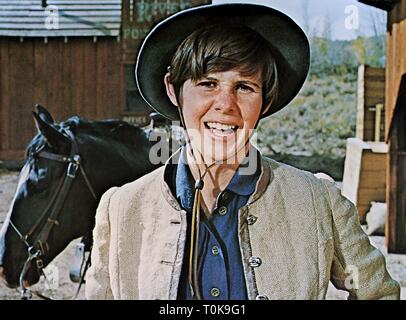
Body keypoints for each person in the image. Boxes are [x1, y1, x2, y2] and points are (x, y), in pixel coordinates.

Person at [85, 3, 400, 300]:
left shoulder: (318, 202)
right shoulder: (122, 209)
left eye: (245, 87)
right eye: (207, 84)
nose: (225, 104)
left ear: (265, 101)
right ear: (173, 90)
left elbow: (379, 293)